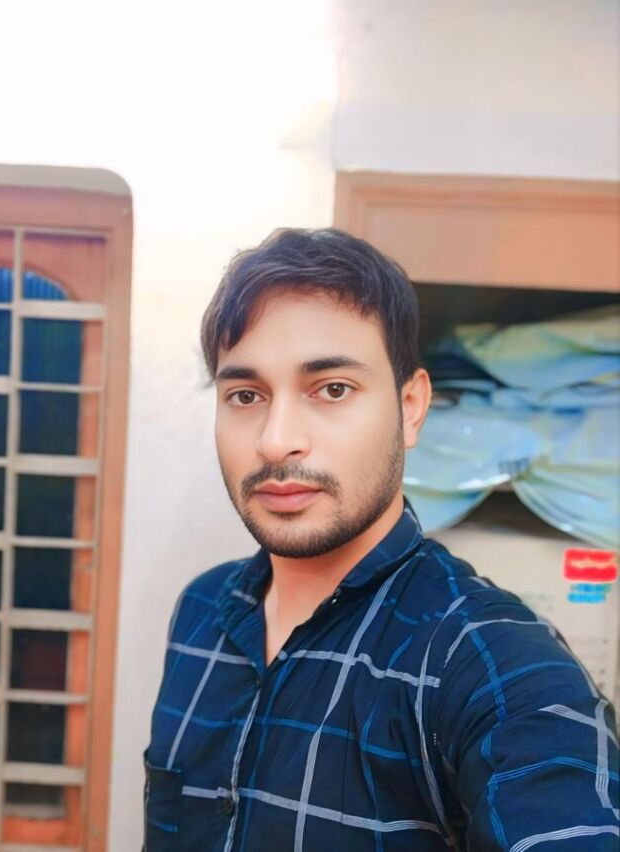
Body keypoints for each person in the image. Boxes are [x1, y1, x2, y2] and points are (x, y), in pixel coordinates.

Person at [144, 228, 619, 851]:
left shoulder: (484, 656)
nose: (275, 440)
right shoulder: (202, 610)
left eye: (332, 389)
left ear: (411, 407)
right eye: (246, 395)